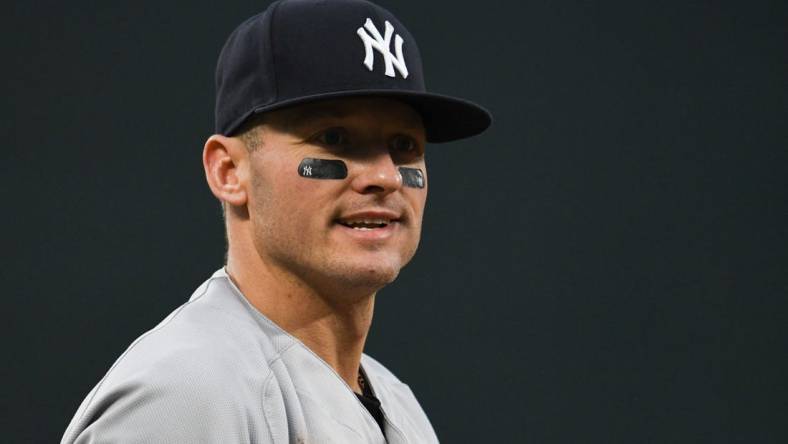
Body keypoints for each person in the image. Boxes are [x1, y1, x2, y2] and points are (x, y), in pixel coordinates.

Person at [61, 0, 491, 442]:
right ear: (229, 172)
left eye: (404, 144)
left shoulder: (397, 401)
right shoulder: (184, 397)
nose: (384, 176)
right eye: (334, 138)